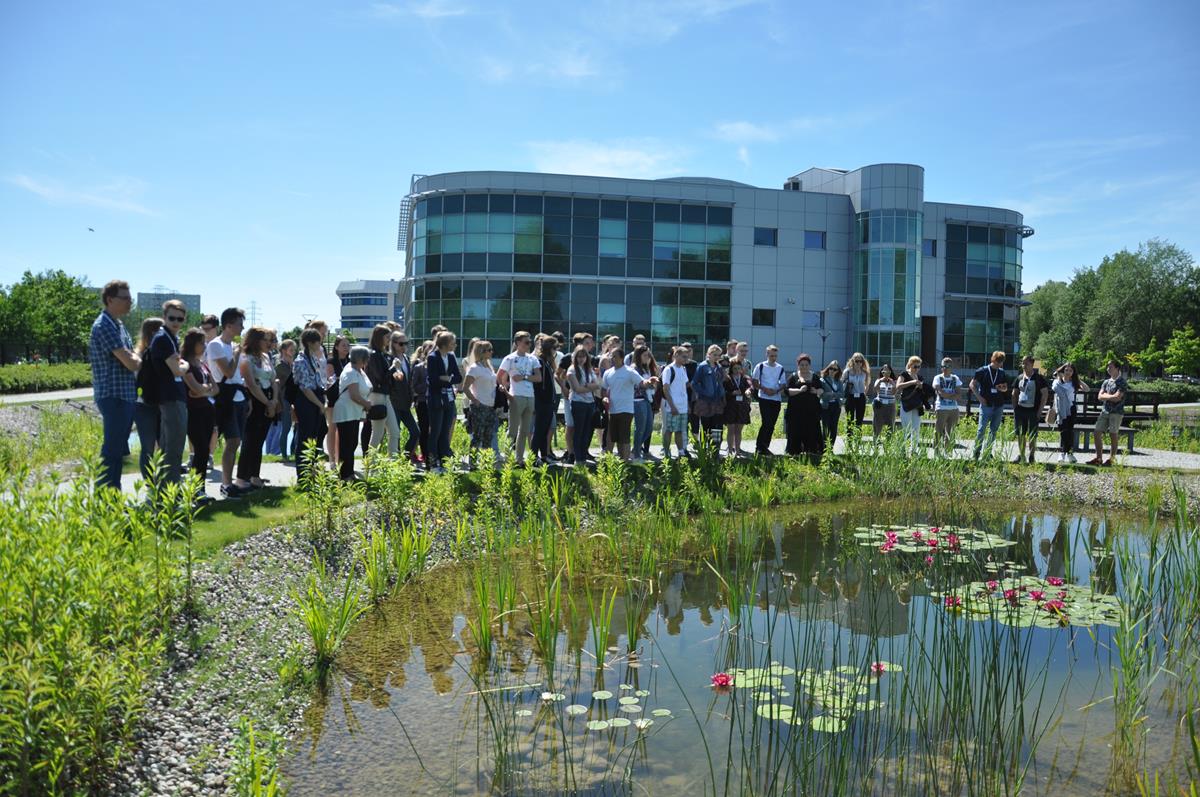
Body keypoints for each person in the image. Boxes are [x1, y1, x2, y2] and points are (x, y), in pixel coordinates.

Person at [89, 280, 141, 491]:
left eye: (130, 298)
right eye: (125, 298)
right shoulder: (104, 325)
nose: (130, 302)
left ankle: (112, 495)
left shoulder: (118, 325)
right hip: (113, 396)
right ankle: (104, 497)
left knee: (117, 450)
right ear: (110, 300)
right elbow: (131, 362)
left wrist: (134, 357)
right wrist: (136, 358)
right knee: (112, 450)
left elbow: (132, 357)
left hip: (124, 396)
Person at [145, 300, 191, 484]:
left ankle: (162, 490)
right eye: (172, 318)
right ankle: (170, 491)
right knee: (173, 447)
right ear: (164, 317)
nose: (176, 322)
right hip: (170, 398)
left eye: (180, 319)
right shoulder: (163, 338)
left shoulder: (172, 338)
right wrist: (186, 365)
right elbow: (178, 370)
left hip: (174, 396)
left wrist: (181, 364)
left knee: (169, 447)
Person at [207, 308, 247, 498]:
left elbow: (237, 376)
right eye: (240, 324)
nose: (242, 327)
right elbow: (229, 373)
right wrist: (237, 353)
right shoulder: (216, 345)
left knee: (236, 442)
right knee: (232, 440)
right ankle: (225, 484)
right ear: (229, 325)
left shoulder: (233, 346)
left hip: (238, 397)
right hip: (225, 397)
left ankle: (229, 482)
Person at [236, 327, 279, 490]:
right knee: (250, 439)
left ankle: (255, 476)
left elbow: (274, 380)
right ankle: (242, 478)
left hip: (269, 398)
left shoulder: (266, 357)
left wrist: (273, 401)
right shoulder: (245, 358)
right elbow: (251, 384)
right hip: (254, 400)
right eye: (265, 340)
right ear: (255, 340)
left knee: (260, 440)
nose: (269, 343)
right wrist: (267, 403)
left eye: (270, 340)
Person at [181, 327, 218, 496]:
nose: (205, 346)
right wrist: (204, 389)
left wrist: (204, 390)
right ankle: (195, 490)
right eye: (202, 343)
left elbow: (215, 389)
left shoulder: (202, 364)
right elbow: (193, 389)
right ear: (192, 344)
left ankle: (200, 489)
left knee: (205, 451)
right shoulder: (185, 364)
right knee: (200, 449)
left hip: (207, 410)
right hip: (193, 411)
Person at [602, 347, 654, 461]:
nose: (612, 358)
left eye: (614, 356)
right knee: (611, 437)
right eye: (611, 356)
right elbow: (604, 389)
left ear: (621, 358)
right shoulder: (607, 373)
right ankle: (609, 462)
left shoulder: (629, 371)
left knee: (624, 437)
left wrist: (650, 381)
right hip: (612, 410)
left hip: (626, 410)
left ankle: (625, 462)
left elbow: (642, 383)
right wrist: (605, 397)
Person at [498, 331, 540, 465]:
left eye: (530, 342)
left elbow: (538, 377)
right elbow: (499, 376)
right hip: (516, 396)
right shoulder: (509, 359)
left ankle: (519, 459)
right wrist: (506, 392)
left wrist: (524, 377)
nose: (529, 345)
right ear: (517, 343)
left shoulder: (533, 359)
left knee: (525, 430)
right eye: (526, 342)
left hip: (530, 396)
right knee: (513, 430)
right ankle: (507, 457)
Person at [292, 328, 329, 477]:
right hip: (306, 401)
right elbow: (305, 388)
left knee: (316, 434)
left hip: (316, 399)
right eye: (317, 341)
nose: (319, 344)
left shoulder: (313, 359)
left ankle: (311, 469)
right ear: (309, 343)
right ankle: (303, 475)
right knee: (305, 438)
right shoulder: (301, 361)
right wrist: (320, 405)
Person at [333, 345, 373, 480]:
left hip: (354, 412)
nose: (368, 360)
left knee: (352, 443)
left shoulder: (359, 370)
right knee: (347, 444)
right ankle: (345, 475)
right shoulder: (350, 371)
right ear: (361, 358)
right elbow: (354, 395)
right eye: (366, 357)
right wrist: (366, 404)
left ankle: (349, 472)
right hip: (346, 412)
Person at [425, 331, 461, 473]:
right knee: (435, 432)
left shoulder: (450, 357)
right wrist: (447, 379)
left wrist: (447, 379)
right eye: (453, 343)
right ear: (445, 344)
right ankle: (433, 463)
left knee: (445, 431)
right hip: (436, 399)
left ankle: (445, 462)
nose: (455, 345)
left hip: (449, 398)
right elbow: (433, 380)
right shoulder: (433, 357)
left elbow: (458, 377)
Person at [363, 325, 401, 456]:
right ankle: (370, 463)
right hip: (377, 396)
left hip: (385, 396)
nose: (389, 339)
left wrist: (394, 372)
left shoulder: (382, 354)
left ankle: (393, 462)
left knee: (395, 432)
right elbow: (380, 378)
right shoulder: (374, 355)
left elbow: (385, 377)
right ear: (379, 337)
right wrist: (394, 367)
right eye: (387, 337)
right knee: (377, 433)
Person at [134, 317, 164, 480]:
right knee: (148, 446)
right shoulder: (139, 355)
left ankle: (164, 480)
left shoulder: (165, 354)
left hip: (162, 404)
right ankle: (149, 482)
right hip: (144, 405)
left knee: (164, 445)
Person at [462, 339, 500, 467]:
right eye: (489, 350)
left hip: (490, 406)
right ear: (481, 352)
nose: (491, 352)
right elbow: (465, 387)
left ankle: (485, 463)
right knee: (477, 435)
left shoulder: (488, 367)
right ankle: (472, 463)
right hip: (480, 406)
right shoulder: (474, 368)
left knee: (488, 435)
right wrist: (475, 401)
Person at [387, 331, 421, 464]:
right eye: (401, 344)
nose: (404, 346)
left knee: (415, 432)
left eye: (406, 343)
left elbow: (408, 380)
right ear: (394, 344)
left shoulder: (406, 358)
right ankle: (396, 461)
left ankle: (405, 458)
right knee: (395, 433)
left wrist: (412, 396)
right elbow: (387, 378)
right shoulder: (389, 358)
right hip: (393, 402)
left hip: (405, 402)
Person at [784, 353, 824, 463]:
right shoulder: (793, 376)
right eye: (802, 365)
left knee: (812, 430)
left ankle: (812, 453)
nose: (804, 367)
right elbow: (787, 391)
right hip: (795, 411)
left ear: (809, 365)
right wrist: (799, 390)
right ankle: (794, 454)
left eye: (806, 365)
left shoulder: (815, 377)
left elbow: (821, 390)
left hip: (812, 411)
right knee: (795, 431)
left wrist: (816, 391)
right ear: (798, 365)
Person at [970, 351, 1010, 459]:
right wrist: (980, 398)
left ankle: (987, 453)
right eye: (998, 361)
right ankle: (976, 452)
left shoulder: (1001, 372)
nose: (999, 364)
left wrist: (1001, 388)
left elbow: (1005, 388)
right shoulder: (982, 371)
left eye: (1001, 362)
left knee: (993, 430)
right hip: (986, 405)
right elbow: (972, 385)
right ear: (993, 360)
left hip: (998, 405)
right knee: (981, 429)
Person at [566, 346, 602, 466]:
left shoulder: (589, 369)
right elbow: (577, 389)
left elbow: (597, 385)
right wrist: (589, 386)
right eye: (579, 357)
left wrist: (587, 386)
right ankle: (578, 459)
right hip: (578, 403)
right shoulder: (572, 370)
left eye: (583, 356)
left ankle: (583, 457)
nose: (581, 359)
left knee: (587, 432)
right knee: (579, 431)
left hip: (590, 403)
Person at [1089, 359, 1128, 466]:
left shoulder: (1122, 382)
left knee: (1113, 434)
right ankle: (1099, 458)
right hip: (1105, 411)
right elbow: (1099, 396)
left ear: (1117, 368)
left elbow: (1117, 398)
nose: (1108, 369)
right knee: (1097, 432)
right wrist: (1111, 396)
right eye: (1108, 367)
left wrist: (1106, 396)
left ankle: (1111, 459)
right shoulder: (1106, 382)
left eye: (1110, 367)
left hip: (1116, 412)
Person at [1012, 355, 1050, 464]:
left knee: (1032, 434)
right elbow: (1014, 393)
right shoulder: (1019, 377)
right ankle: (1022, 455)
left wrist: (1040, 411)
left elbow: (1045, 395)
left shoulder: (1039, 378)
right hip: (1020, 410)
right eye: (1022, 363)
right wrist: (1015, 408)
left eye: (1026, 363)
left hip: (1033, 410)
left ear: (1032, 364)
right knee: (1020, 434)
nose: (1024, 366)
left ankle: (1032, 456)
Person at [752, 345, 787, 455]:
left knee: (772, 424)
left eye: (775, 356)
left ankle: (765, 446)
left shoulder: (780, 368)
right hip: (764, 398)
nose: (773, 358)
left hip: (776, 399)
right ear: (766, 354)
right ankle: (759, 447)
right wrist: (764, 389)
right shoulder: (760, 366)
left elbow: (783, 384)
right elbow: (754, 382)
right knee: (766, 422)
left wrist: (776, 391)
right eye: (771, 356)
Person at [1051, 362, 1088, 464]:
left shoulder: (1074, 383)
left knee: (1070, 431)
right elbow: (1055, 388)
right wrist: (1059, 375)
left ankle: (1067, 453)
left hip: (1071, 408)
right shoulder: (1057, 382)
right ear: (1063, 371)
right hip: (1060, 409)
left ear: (1073, 372)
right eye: (1066, 370)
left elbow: (1086, 389)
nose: (1068, 372)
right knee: (1063, 431)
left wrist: (1078, 380)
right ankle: (1065, 453)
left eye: (1070, 371)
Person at [692, 344, 727, 450]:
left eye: (718, 355)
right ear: (709, 354)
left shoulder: (719, 367)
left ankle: (715, 450)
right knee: (705, 426)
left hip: (717, 401)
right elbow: (694, 383)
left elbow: (722, 381)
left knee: (717, 426)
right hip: (705, 401)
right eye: (714, 355)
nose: (717, 357)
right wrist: (704, 392)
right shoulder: (702, 366)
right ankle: (705, 449)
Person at [531, 336, 560, 466]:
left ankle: (544, 455)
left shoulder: (546, 362)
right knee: (539, 430)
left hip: (548, 401)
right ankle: (533, 457)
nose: (556, 351)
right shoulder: (540, 362)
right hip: (542, 401)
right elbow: (539, 385)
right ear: (549, 348)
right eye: (554, 348)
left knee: (545, 430)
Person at [660, 346, 691, 459]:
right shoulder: (669, 369)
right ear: (676, 355)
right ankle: (666, 452)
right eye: (683, 357)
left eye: (687, 357)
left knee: (679, 430)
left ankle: (681, 452)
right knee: (669, 430)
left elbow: (684, 387)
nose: (686, 359)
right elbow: (665, 389)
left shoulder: (683, 369)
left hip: (683, 407)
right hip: (672, 406)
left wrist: (687, 405)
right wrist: (672, 406)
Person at [266, 338, 295, 460]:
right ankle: (283, 455)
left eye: (294, 349)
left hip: (292, 398)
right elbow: (277, 384)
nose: (293, 351)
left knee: (292, 427)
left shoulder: (290, 364)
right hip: (284, 399)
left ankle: (290, 452)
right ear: (283, 350)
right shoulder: (280, 365)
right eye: (291, 349)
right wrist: (278, 402)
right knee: (285, 428)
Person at [631, 345, 660, 463]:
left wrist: (652, 384)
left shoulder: (645, 368)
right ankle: (636, 454)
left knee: (648, 429)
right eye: (645, 355)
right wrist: (649, 383)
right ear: (638, 356)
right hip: (637, 401)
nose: (647, 357)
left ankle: (635, 449)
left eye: (648, 355)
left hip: (646, 400)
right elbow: (638, 385)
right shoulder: (634, 368)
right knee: (640, 428)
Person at [325, 337, 350, 468]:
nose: (346, 347)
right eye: (343, 345)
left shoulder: (350, 362)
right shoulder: (331, 362)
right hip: (334, 399)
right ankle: (331, 460)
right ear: (336, 347)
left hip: (348, 400)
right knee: (332, 428)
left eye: (348, 345)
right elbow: (330, 380)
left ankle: (340, 458)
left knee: (344, 430)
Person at [932, 357, 962, 456]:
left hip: (953, 409)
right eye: (944, 366)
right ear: (941, 367)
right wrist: (951, 395)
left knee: (951, 431)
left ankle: (948, 452)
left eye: (948, 366)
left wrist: (946, 395)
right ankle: (936, 452)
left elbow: (959, 395)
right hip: (941, 408)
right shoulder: (937, 378)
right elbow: (940, 392)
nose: (946, 368)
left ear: (952, 367)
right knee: (938, 430)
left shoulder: (955, 378)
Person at [896, 356, 925, 456]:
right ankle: (903, 450)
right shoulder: (904, 374)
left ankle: (914, 451)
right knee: (906, 428)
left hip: (917, 405)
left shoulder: (920, 377)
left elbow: (922, 392)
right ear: (910, 365)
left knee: (916, 429)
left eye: (918, 367)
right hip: (907, 404)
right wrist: (912, 382)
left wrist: (921, 387)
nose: (917, 369)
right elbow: (898, 386)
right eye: (915, 366)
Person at [723, 359, 753, 457]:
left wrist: (748, 391)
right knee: (731, 429)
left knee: (738, 430)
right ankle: (729, 451)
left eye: (738, 368)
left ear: (741, 369)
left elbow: (750, 387)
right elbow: (723, 392)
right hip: (730, 407)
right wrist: (732, 393)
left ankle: (738, 451)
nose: (737, 370)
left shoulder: (745, 378)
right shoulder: (727, 378)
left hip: (742, 407)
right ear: (731, 369)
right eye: (735, 368)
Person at [411, 341, 432, 467]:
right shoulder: (419, 367)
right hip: (423, 401)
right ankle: (426, 456)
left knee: (434, 430)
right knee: (424, 430)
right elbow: (414, 386)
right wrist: (427, 384)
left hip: (435, 402)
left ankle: (434, 455)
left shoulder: (439, 367)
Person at [818, 360, 845, 447]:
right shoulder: (822, 380)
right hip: (826, 406)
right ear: (828, 369)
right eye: (831, 368)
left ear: (837, 371)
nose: (832, 371)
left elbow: (842, 394)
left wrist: (832, 394)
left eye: (835, 369)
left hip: (836, 406)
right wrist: (830, 395)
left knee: (834, 428)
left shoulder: (839, 381)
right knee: (826, 427)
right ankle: (824, 448)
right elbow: (821, 394)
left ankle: (831, 448)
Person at [871, 363, 897, 440]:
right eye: (884, 371)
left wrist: (892, 383)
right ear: (881, 372)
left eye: (888, 371)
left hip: (890, 405)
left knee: (890, 425)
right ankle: (876, 441)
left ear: (890, 372)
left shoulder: (894, 381)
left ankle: (888, 443)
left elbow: (894, 392)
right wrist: (880, 381)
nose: (886, 373)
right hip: (880, 405)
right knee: (877, 425)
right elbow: (875, 388)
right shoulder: (878, 380)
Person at [843, 353, 870, 428]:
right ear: (853, 361)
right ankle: (849, 435)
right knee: (849, 420)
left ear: (863, 362)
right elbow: (842, 383)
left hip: (861, 396)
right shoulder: (847, 371)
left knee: (859, 420)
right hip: (850, 396)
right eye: (856, 361)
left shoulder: (865, 373)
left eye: (860, 361)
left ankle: (858, 435)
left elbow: (867, 385)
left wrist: (864, 393)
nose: (858, 363)